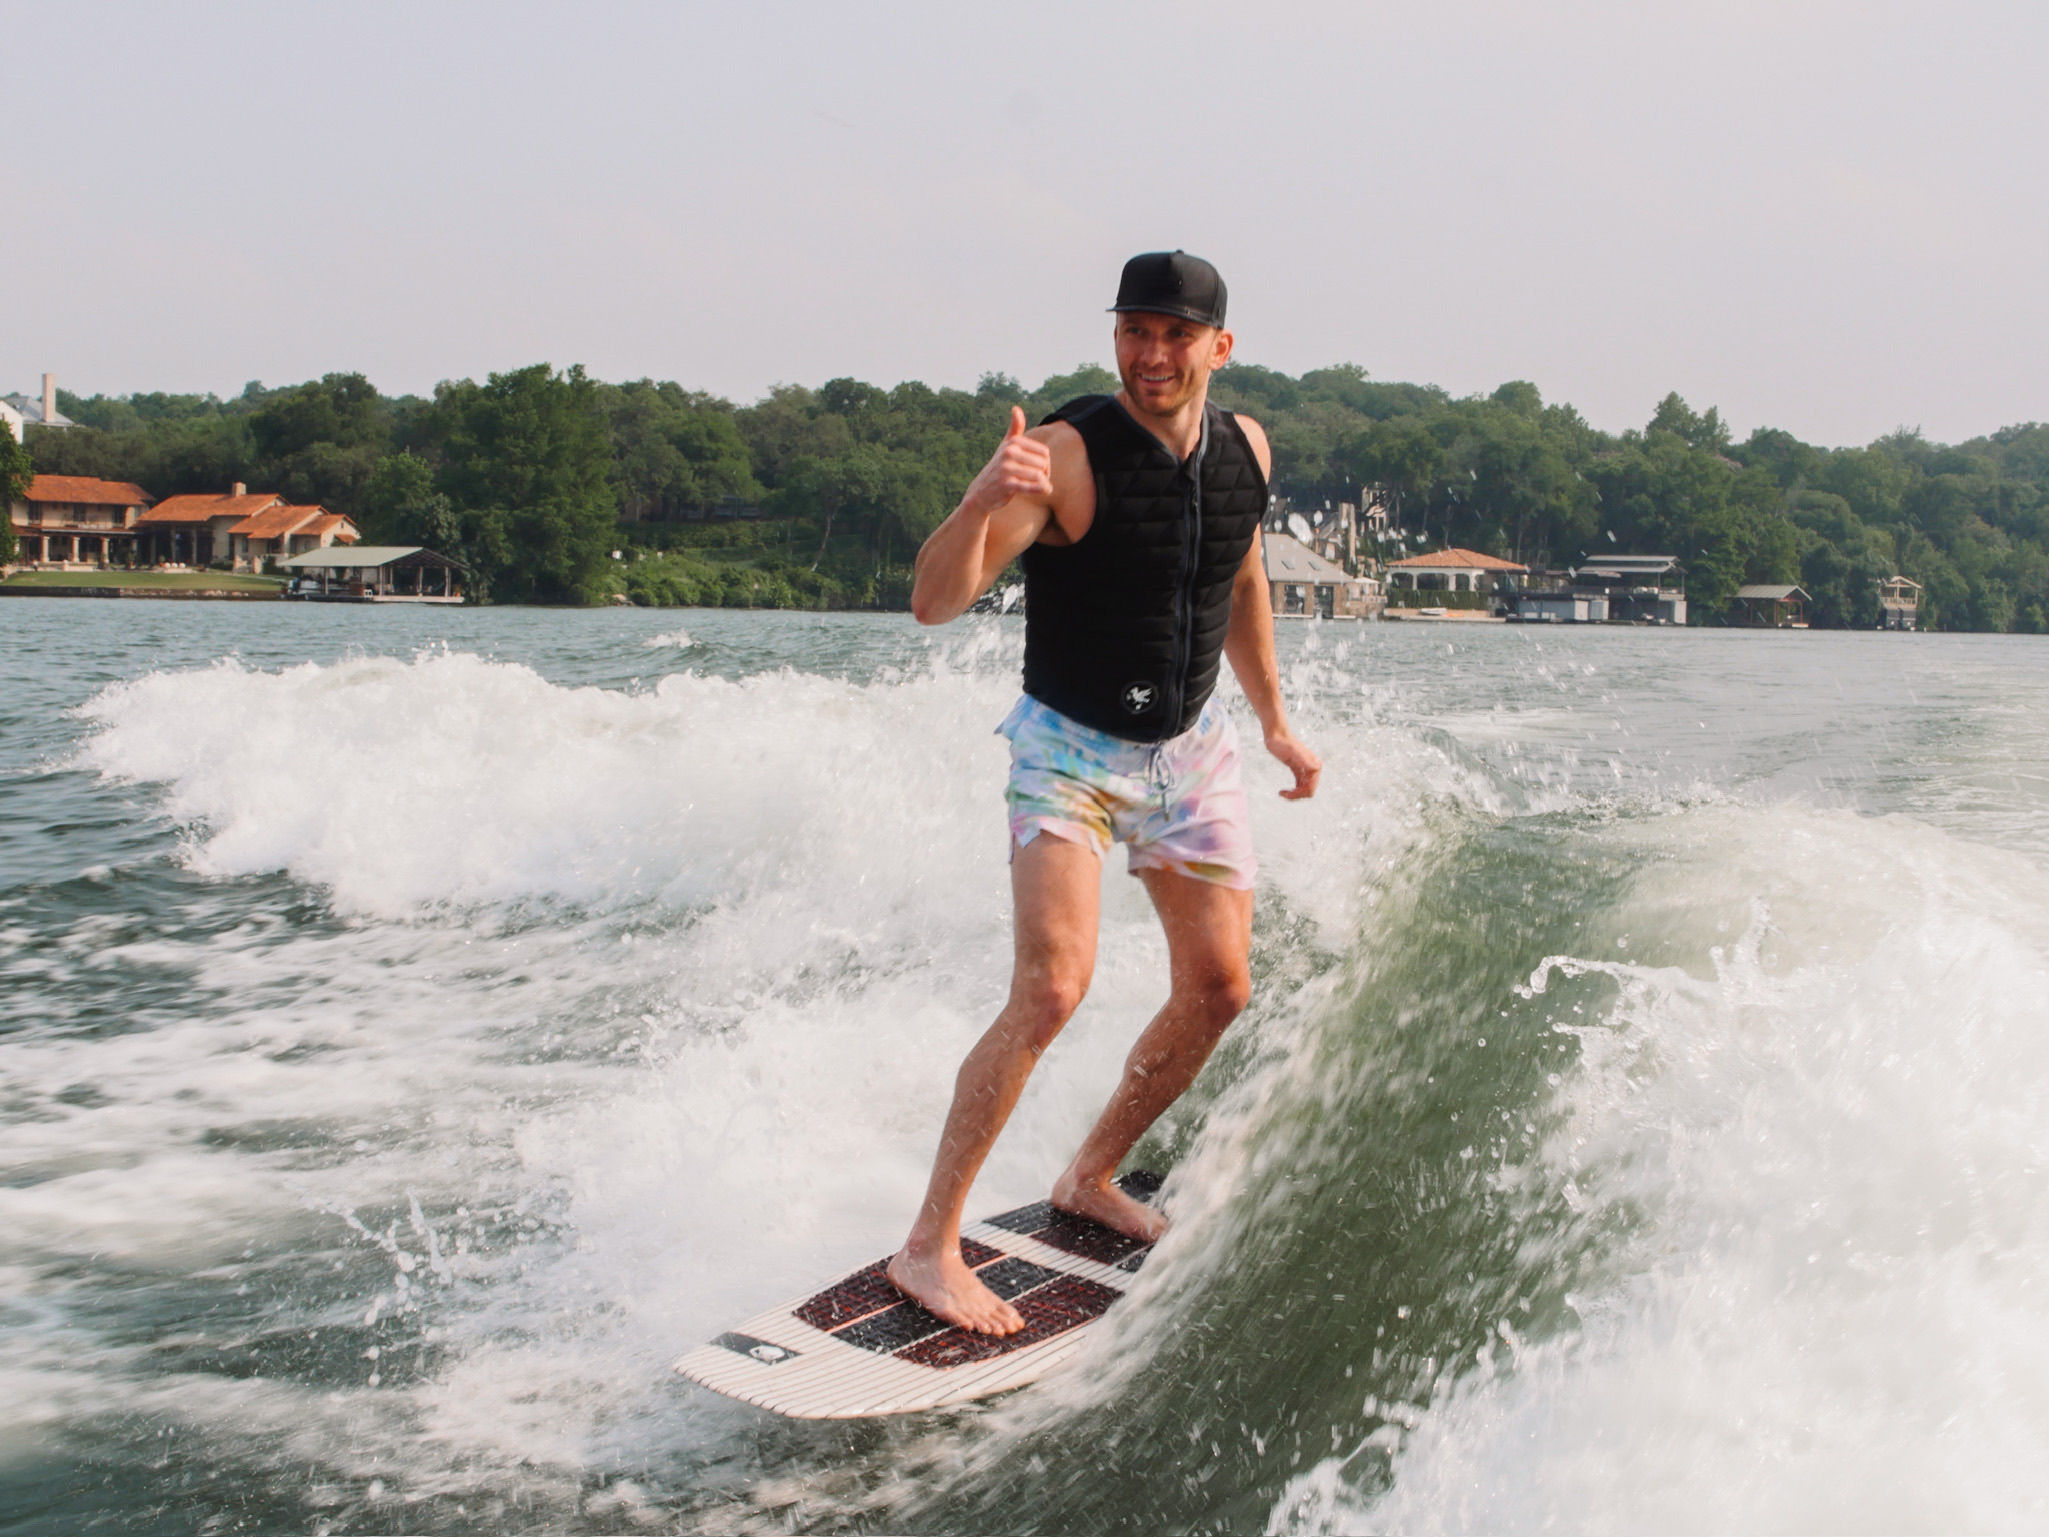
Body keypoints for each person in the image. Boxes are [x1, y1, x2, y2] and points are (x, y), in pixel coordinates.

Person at [888, 251, 1322, 1335]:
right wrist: (983, 496)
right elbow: (933, 604)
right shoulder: (1067, 456)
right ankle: (928, 1247)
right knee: (1052, 987)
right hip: (1069, 753)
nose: (1152, 355)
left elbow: (1241, 578)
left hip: (1190, 749)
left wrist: (1273, 717)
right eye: (1135, 330)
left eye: (1176, 335)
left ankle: (1091, 1174)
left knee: (1220, 987)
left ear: (1220, 348)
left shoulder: (1246, 449)